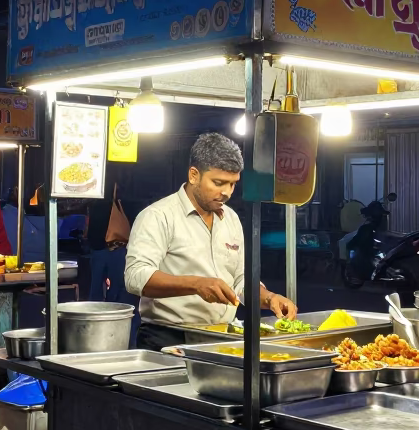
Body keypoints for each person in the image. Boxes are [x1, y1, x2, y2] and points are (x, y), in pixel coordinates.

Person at [125, 132, 297, 350]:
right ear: (194, 175)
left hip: (222, 337)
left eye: (233, 184)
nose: (226, 192)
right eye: (218, 183)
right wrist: (197, 285)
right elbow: (136, 277)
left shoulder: (231, 219)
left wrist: (268, 297)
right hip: (169, 337)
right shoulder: (158, 216)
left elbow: (240, 281)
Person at [87, 170, 132, 304]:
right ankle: (112, 310)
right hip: (113, 247)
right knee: (115, 288)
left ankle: (95, 312)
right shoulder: (120, 199)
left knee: (96, 287)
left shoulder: (94, 199)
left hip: (100, 247)